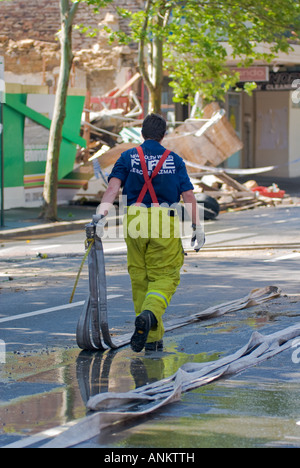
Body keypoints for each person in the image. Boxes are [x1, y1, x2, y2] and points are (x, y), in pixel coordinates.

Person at [96, 113, 205, 352]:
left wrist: (100, 217)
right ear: (163, 135)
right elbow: (187, 195)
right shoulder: (174, 160)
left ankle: (152, 338)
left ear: (142, 134)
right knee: (165, 277)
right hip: (162, 220)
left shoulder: (127, 156)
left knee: (140, 277)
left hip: (133, 219)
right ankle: (150, 313)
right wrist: (198, 226)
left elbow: (113, 188)